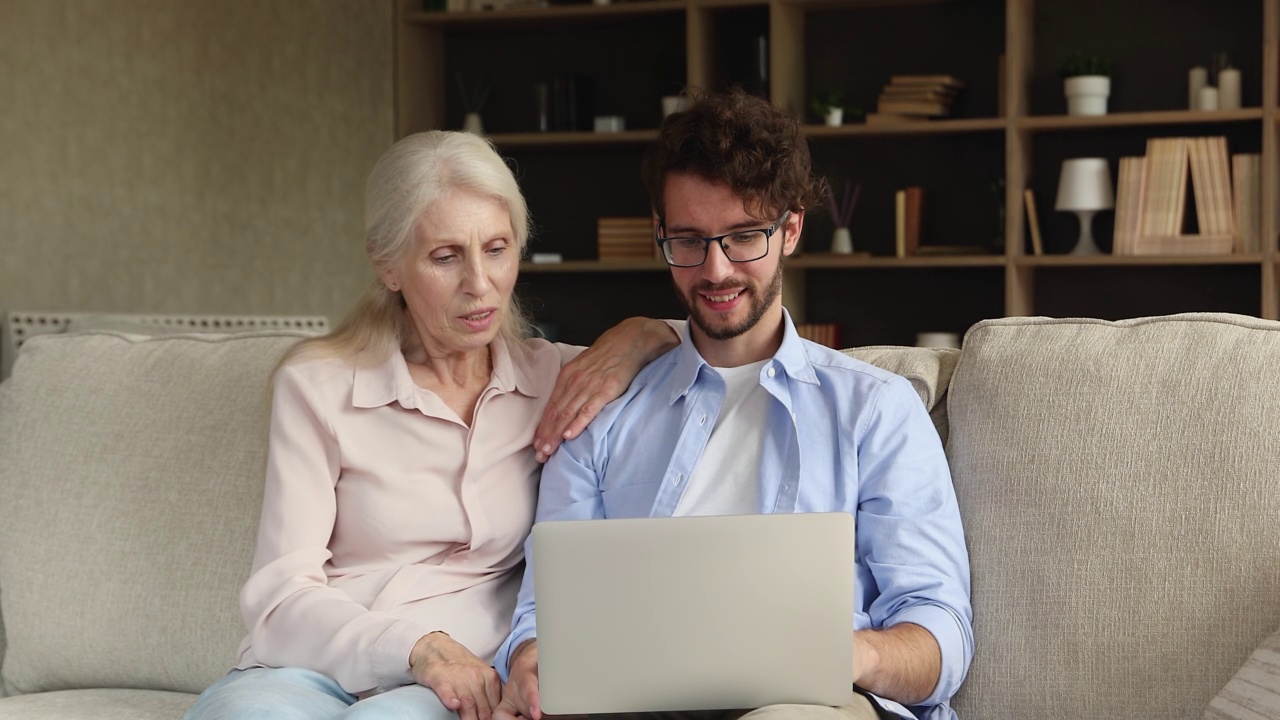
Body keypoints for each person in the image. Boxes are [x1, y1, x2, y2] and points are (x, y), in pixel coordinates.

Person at [494, 89, 973, 720]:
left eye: (744, 237)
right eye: (688, 242)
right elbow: (541, 613)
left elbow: (940, 634)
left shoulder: (875, 410)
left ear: (791, 229)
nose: (715, 270)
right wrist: (530, 660)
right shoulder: (600, 411)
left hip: (812, 702)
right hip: (640, 701)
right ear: (660, 234)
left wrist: (846, 655)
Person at [184, 130, 680, 720]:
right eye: (445, 257)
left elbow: (712, 339)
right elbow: (279, 596)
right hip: (314, 666)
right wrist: (417, 647)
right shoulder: (317, 385)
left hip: (463, 679)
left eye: (497, 249)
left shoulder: (561, 379)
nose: (480, 283)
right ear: (387, 264)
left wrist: (645, 331)